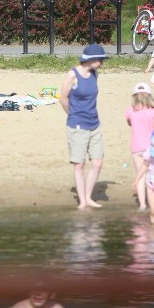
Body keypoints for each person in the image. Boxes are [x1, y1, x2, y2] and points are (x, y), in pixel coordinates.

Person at [60, 43, 107, 210]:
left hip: (95, 124)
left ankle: (88, 197)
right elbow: (63, 99)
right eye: (99, 60)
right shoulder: (72, 75)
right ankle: (82, 201)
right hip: (77, 125)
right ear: (90, 59)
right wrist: (72, 114)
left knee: (97, 162)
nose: (101, 63)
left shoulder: (95, 74)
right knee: (79, 164)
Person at [125, 82, 154, 211]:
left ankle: (142, 204)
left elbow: (129, 122)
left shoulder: (130, 110)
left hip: (136, 147)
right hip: (151, 148)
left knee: (140, 175)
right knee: (152, 175)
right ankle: (153, 202)